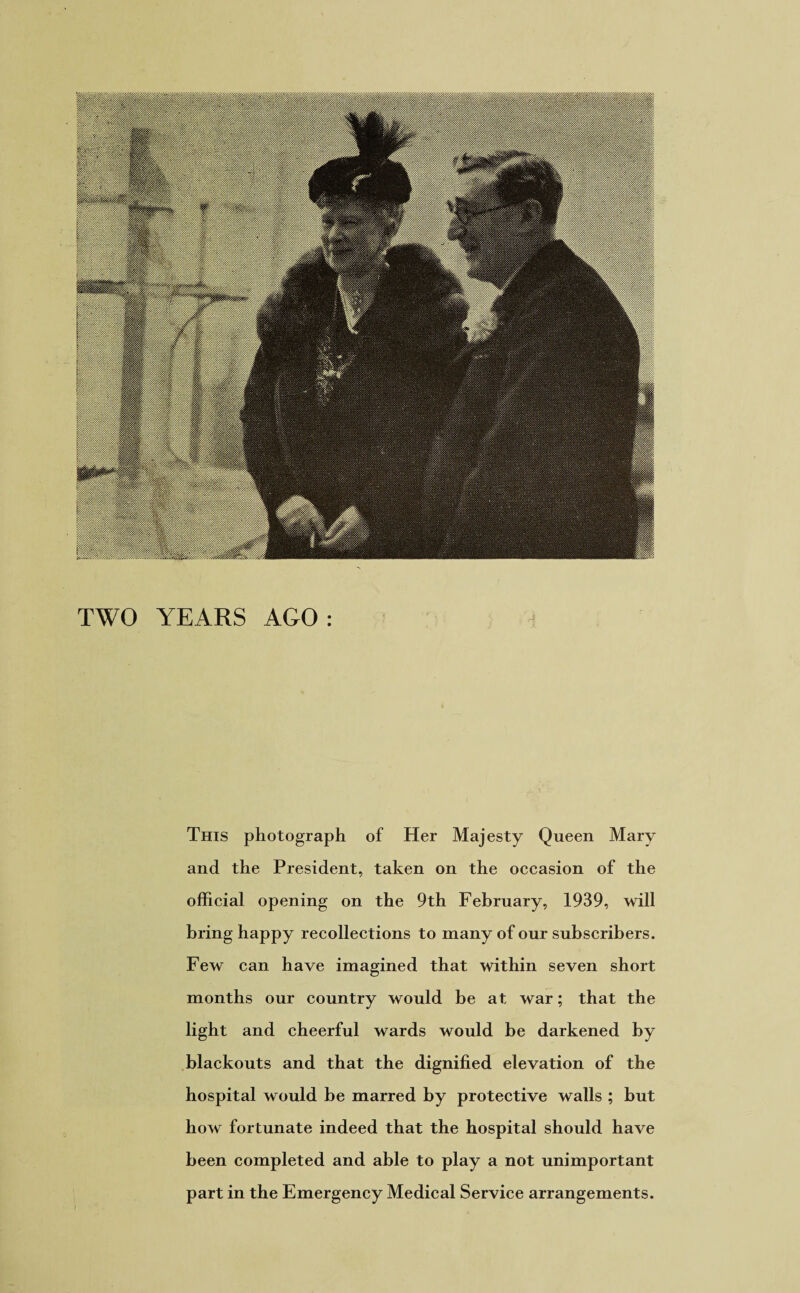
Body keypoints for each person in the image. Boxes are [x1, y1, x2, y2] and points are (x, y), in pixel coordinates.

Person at [241, 112, 468, 558]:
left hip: (386, 542)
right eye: (327, 221)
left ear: (390, 226)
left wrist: (377, 511)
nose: (334, 235)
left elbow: (442, 434)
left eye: (350, 222)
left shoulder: (430, 322)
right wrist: (282, 495)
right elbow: (256, 414)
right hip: (296, 538)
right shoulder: (292, 313)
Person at [422, 150, 641, 558]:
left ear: (526, 216)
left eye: (467, 213)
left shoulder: (569, 310)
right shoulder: (542, 298)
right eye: (454, 212)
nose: (453, 231)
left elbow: (508, 477)